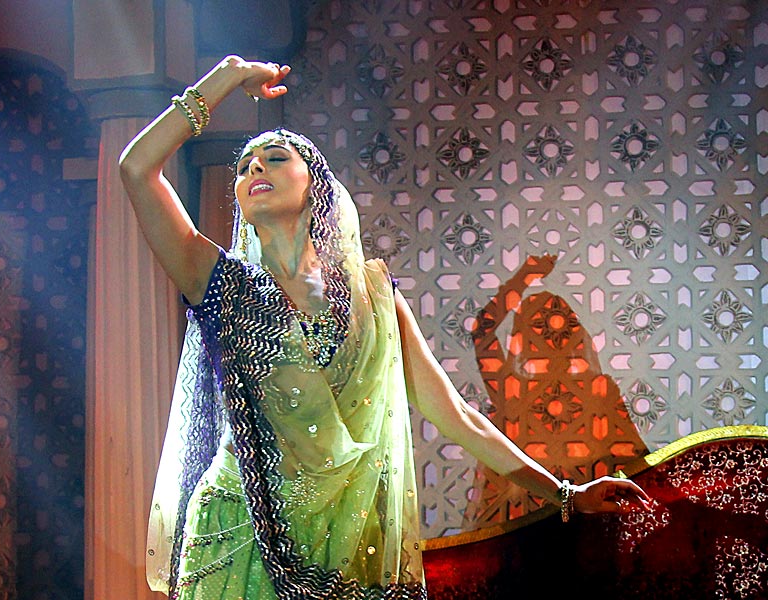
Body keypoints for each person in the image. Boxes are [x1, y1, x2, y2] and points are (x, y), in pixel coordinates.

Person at [119, 55, 651, 600]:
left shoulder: (372, 297)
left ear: (317, 186)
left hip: (350, 541)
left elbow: (455, 414)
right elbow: (137, 169)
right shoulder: (217, 282)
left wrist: (565, 493)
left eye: (275, 158)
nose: (255, 169)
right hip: (240, 532)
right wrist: (228, 76)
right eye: (244, 167)